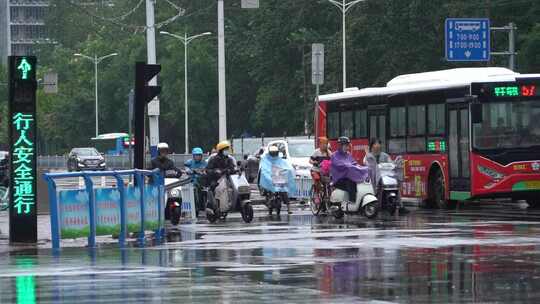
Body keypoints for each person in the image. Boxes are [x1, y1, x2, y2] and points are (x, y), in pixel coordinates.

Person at [364, 138, 409, 215]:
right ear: (372, 146)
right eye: (375, 144)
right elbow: (368, 164)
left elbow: (391, 163)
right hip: (374, 179)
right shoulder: (369, 156)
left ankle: (401, 206)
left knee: (396, 187)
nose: (377, 145)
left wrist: (397, 162)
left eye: (379, 144)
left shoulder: (385, 155)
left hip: (386, 177)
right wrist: (368, 154)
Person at [330, 137, 369, 203]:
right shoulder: (334, 155)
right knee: (351, 183)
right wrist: (349, 166)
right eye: (345, 145)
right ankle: (352, 201)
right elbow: (339, 165)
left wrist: (362, 168)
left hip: (348, 177)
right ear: (340, 145)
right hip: (338, 180)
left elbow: (354, 163)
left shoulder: (348, 155)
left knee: (358, 183)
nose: (347, 147)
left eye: (348, 145)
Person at [184, 147, 208, 215]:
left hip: (202, 182)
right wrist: (190, 171)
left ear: (201, 156)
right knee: (194, 191)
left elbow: (207, 170)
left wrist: (205, 172)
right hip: (192, 182)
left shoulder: (205, 163)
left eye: (199, 155)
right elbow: (186, 169)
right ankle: (196, 208)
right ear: (193, 156)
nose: (198, 157)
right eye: (196, 155)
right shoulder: (189, 162)